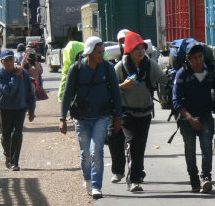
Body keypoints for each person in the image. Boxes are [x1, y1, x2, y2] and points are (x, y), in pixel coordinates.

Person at [60, 36, 123, 200]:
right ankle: (87, 179)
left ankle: (96, 186)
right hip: (81, 117)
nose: (101, 54)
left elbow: (116, 92)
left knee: (97, 151)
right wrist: (62, 118)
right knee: (85, 153)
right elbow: (67, 95)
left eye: (103, 51)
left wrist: (118, 116)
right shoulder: (77, 69)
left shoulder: (107, 68)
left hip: (102, 116)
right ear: (89, 52)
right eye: (98, 51)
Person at [172, 41, 215, 193]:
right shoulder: (182, 74)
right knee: (190, 151)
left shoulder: (211, 69)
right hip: (186, 119)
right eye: (194, 58)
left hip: (205, 116)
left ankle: (206, 178)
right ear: (188, 58)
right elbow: (176, 101)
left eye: (200, 56)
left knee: (207, 149)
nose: (198, 60)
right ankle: (194, 179)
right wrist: (190, 118)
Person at [114, 32, 169, 192]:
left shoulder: (150, 65)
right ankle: (133, 181)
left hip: (144, 113)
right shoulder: (120, 68)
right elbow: (110, 89)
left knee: (140, 146)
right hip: (126, 114)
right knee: (132, 144)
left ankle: (136, 174)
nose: (140, 52)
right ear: (129, 51)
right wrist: (122, 86)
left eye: (142, 48)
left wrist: (177, 75)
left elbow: (163, 79)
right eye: (136, 49)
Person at [0, 49, 36, 171]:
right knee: (6, 136)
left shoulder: (23, 73)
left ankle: (14, 162)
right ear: (2, 62)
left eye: (11, 60)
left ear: (14, 60)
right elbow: (8, 90)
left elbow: (30, 92)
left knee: (17, 134)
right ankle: (7, 154)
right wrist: (14, 76)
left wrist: (31, 109)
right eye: (6, 60)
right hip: (5, 108)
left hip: (20, 108)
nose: (9, 63)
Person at [106, 29, 130, 184]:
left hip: (132, 108)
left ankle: (135, 172)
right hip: (114, 109)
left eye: (126, 41)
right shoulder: (110, 64)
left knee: (134, 143)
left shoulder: (140, 62)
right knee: (114, 139)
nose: (124, 44)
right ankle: (118, 171)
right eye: (121, 41)